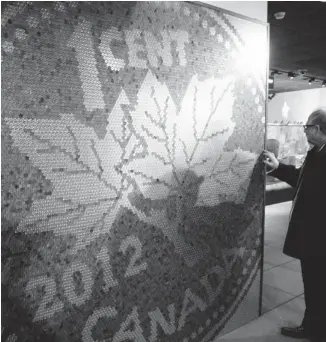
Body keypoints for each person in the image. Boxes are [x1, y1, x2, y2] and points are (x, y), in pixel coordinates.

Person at [263, 108, 326, 342]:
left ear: (318, 129)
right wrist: (277, 166)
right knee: (314, 282)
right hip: (312, 235)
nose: (304, 130)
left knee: (315, 283)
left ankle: (314, 329)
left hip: (319, 237)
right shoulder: (316, 153)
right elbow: (301, 177)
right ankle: (315, 326)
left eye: (307, 127)